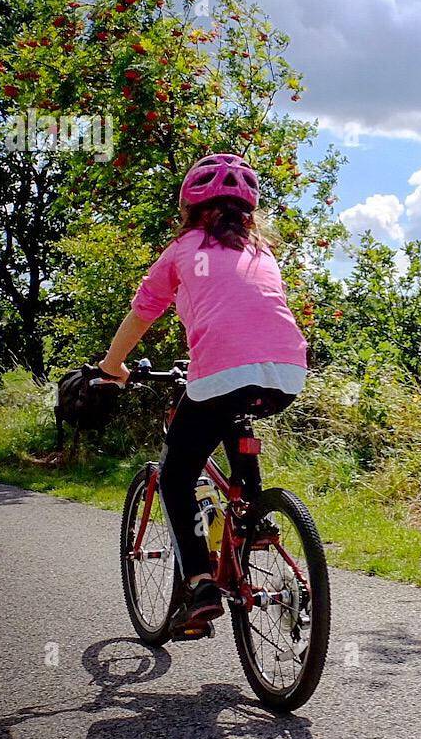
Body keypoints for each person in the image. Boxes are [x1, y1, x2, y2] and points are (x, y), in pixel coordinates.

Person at [99, 153, 308, 631]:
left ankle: (199, 583)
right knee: (238, 418)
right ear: (247, 212)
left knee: (175, 476)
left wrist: (113, 367)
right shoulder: (260, 252)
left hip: (218, 374)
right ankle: (255, 518)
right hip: (288, 373)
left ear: (190, 208)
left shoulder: (181, 251)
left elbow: (143, 313)